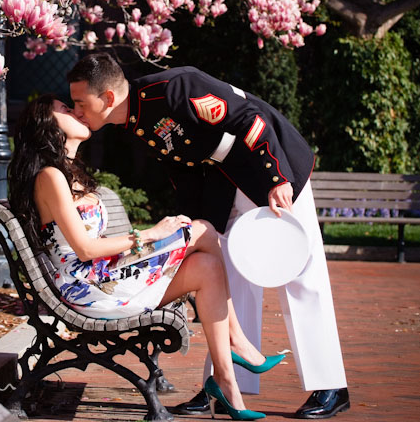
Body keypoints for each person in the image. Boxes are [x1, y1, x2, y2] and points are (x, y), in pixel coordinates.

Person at [66, 53, 349, 419]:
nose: (75, 112)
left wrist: (277, 175)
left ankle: (330, 385)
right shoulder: (136, 120)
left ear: (106, 97)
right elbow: (183, 169)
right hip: (224, 185)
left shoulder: (174, 88)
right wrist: (196, 221)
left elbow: (249, 117)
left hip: (267, 167)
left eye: (79, 103)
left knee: (300, 274)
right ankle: (225, 385)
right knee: (227, 275)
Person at [8, 94, 285, 421]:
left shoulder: (71, 175)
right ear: (47, 125)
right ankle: (238, 344)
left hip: (106, 277)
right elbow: (84, 250)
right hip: (87, 288)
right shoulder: (50, 177)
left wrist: (147, 243)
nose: (77, 111)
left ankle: (226, 383)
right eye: (66, 109)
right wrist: (151, 235)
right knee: (204, 230)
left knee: (207, 266)